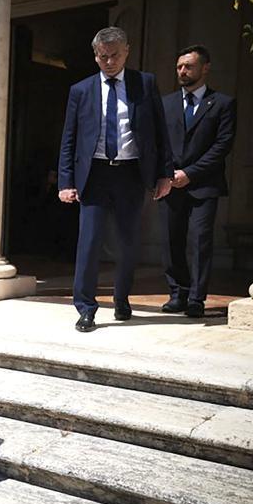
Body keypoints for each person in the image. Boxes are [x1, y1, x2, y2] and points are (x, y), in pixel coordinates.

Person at [58, 26, 173, 332]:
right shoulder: (81, 90)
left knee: (127, 242)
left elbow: (160, 133)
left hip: (130, 173)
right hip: (94, 174)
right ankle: (86, 308)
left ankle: (121, 298)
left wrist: (164, 174)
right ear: (95, 55)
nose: (109, 62)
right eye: (103, 56)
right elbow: (69, 139)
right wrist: (66, 182)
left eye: (115, 56)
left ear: (127, 52)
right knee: (89, 242)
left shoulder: (145, 83)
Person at [160, 45, 236, 318]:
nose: (182, 71)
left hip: (204, 185)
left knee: (200, 241)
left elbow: (222, 146)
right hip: (170, 184)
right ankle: (177, 294)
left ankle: (196, 298)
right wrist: (167, 174)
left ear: (205, 68)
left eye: (188, 66)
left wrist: (190, 173)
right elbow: (158, 143)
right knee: (171, 241)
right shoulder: (166, 103)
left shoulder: (223, 103)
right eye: (179, 67)